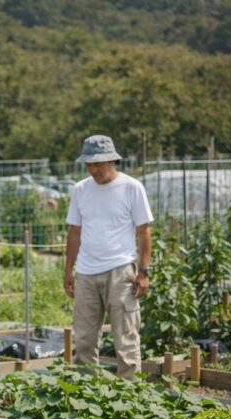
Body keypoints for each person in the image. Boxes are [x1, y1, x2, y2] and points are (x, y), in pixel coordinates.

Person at [64, 135, 153, 380]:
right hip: (86, 272)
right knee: (83, 339)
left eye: (99, 164)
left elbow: (144, 231)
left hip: (120, 270)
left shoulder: (132, 187)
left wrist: (143, 272)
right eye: (89, 164)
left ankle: (130, 394)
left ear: (112, 160)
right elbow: (75, 232)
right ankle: (86, 393)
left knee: (125, 338)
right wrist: (68, 270)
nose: (94, 169)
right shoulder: (81, 189)